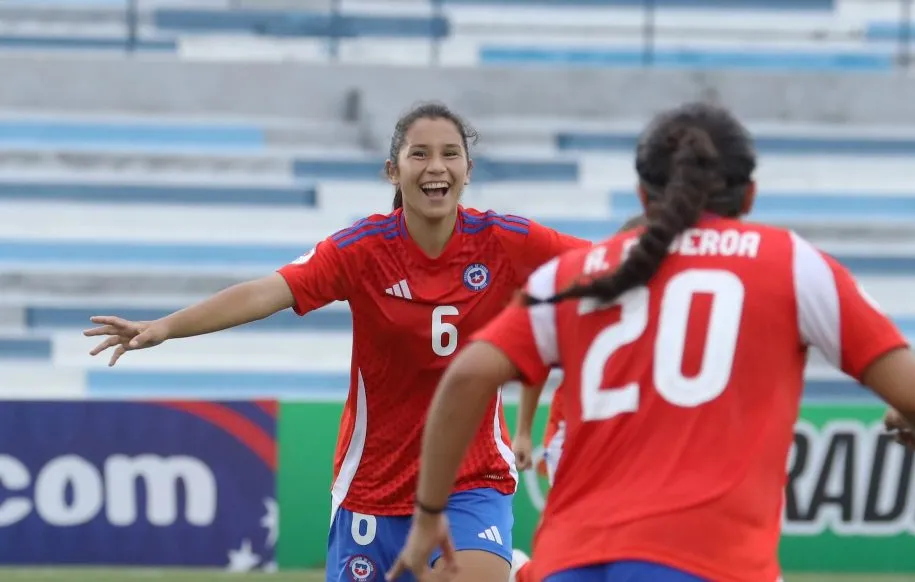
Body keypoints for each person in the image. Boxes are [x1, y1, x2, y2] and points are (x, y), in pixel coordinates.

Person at [386, 102, 915, 582]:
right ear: (749, 195)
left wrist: (431, 511)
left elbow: (465, 377)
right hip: (708, 559)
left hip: (572, 559)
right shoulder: (790, 264)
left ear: (641, 192)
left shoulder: (575, 275)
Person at [83, 102, 590, 582]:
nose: (436, 166)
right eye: (420, 154)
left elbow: (604, 262)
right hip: (372, 488)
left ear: (468, 168)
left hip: (471, 481)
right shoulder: (363, 249)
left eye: (449, 153)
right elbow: (267, 292)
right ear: (393, 171)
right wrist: (166, 326)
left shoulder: (503, 240)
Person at [512, 214, 647, 484]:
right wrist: (524, 431)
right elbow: (537, 353)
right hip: (575, 436)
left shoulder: (668, 302)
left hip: (629, 436)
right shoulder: (584, 299)